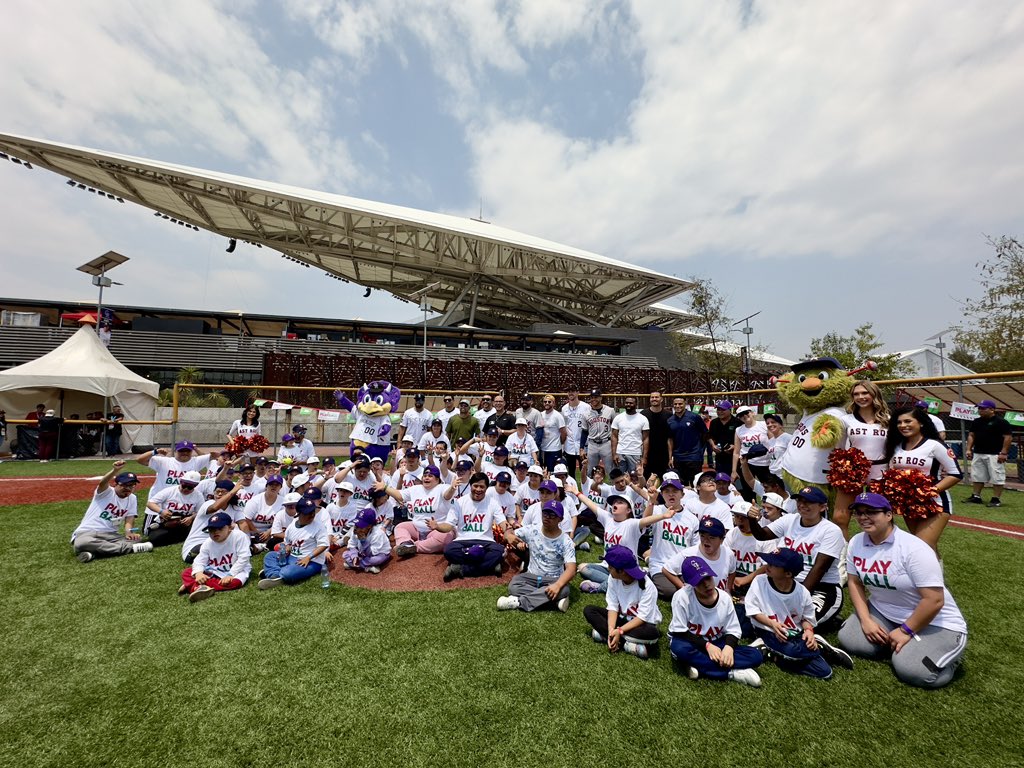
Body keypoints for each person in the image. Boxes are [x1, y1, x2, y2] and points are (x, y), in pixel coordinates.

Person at [838, 492, 968, 689]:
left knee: (914, 671)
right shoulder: (857, 541)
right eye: (859, 513)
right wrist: (865, 620)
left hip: (935, 621)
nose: (863, 517)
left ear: (889, 515)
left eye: (871, 512)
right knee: (850, 639)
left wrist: (906, 630)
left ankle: (948, 660)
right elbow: (855, 583)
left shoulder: (914, 548)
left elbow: (934, 600)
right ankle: (901, 644)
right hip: (885, 612)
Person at [744, 486, 846, 627]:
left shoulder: (831, 531)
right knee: (766, 617)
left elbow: (819, 568)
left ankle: (830, 619)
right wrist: (752, 519)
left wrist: (796, 599)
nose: (802, 505)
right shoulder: (790, 520)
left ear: (823, 507)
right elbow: (762, 535)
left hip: (821, 587)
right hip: (786, 582)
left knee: (796, 624)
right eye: (800, 500)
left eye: (809, 502)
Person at [744, 548, 852, 679]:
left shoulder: (802, 592)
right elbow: (753, 611)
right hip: (767, 630)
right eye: (768, 562)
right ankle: (814, 651)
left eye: (774, 564)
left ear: (788, 573)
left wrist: (809, 631)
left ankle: (775, 654)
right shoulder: (760, 581)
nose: (768, 565)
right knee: (791, 652)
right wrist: (772, 624)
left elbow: (806, 619)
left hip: (794, 634)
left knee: (825, 672)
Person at [667, 555, 764, 686]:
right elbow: (680, 632)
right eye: (699, 581)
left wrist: (729, 648)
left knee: (756, 656)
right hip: (693, 642)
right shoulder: (682, 597)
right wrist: (707, 646)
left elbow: (733, 630)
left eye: (708, 577)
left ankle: (699, 666)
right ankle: (731, 673)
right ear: (690, 584)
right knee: (679, 649)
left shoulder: (724, 598)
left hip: (718, 642)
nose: (706, 584)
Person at [883, 405, 963, 555]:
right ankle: (935, 576)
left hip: (935, 503)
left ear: (921, 423)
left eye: (908, 421)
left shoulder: (935, 445)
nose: (903, 425)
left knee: (922, 546)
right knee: (926, 546)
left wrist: (929, 491)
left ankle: (931, 578)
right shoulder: (896, 446)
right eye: (899, 422)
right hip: (909, 504)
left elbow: (956, 473)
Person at [582, 545, 662, 659]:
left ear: (622, 571)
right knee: (589, 610)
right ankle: (626, 644)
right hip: (621, 620)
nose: (608, 569)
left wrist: (619, 631)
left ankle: (607, 637)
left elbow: (642, 618)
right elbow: (612, 607)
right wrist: (611, 629)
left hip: (642, 625)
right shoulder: (613, 578)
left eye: (610, 567)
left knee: (653, 633)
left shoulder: (648, 586)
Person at [499, 500, 577, 612]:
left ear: (560, 519)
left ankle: (518, 602)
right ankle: (552, 602)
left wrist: (558, 585)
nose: (547, 517)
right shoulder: (533, 529)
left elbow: (571, 569)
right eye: (545, 513)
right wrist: (508, 536)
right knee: (514, 585)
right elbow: (508, 534)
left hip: (553, 579)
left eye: (552, 515)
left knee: (563, 589)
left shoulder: (566, 541)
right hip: (531, 576)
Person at [835, 380, 890, 539]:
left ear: (874, 394)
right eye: (856, 394)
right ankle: (844, 558)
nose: (861, 397)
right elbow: (839, 449)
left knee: (879, 519)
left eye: (865, 393)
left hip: (880, 472)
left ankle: (879, 554)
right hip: (852, 472)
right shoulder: (846, 420)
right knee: (840, 518)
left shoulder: (888, 419)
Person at [71, 461, 154, 562]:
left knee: (137, 539)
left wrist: (129, 532)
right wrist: (115, 470)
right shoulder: (107, 492)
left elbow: (130, 518)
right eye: (125, 485)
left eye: (132, 486)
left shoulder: (132, 498)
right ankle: (130, 549)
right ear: (116, 484)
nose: (128, 489)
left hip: (111, 535)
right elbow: (102, 483)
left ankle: (92, 553)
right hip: (88, 532)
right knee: (82, 543)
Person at [437, 472, 509, 581]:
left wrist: (508, 530)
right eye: (475, 486)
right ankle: (490, 567)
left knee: (500, 551)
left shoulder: (493, 503)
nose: (478, 489)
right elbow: (448, 526)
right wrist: (436, 526)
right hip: (463, 540)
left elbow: (502, 522)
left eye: (482, 487)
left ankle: (459, 569)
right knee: (449, 550)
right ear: (470, 486)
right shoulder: (459, 502)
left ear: (486, 488)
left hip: (486, 541)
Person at [178, 511, 251, 603]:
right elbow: (199, 560)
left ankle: (193, 586)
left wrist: (230, 575)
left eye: (220, 528)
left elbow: (244, 558)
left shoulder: (239, 536)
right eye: (212, 529)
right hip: (215, 571)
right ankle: (199, 587)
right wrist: (198, 573)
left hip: (237, 571)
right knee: (187, 572)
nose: (215, 532)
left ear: (229, 527)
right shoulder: (208, 542)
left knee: (236, 583)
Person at [258, 498, 330, 588]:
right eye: (308, 513)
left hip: (312, 562)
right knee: (269, 556)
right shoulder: (292, 525)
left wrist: (308, 558)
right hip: (292, 557)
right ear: (299, 513)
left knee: (288, 573)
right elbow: (287, 542)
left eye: (313, 512)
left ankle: (273, 571)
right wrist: (287, 548)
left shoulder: (319, 526)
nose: (312, 515)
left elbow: (323, 545)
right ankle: (275, 576)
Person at [388, 465, 456, 557]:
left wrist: (452, 488)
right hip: (416, 528)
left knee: (445, 537)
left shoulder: (442, 488)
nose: (426, 478)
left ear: (437, 479)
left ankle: (413, 547)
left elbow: (447, 495)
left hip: (437, 529)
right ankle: (405, 543)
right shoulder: (416, 489)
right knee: (400, 527)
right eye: (425, 475)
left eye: (430, 476)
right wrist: (385, 487)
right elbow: (399, 495)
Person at [964, 399, 1013, 508]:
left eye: (983, 408)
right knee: (977, 476)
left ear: (992, 410)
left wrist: (1003, 452)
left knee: (997, 476)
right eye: (979, 408)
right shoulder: (976, 421)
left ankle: (996, 499)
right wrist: (968, 449)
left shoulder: (1001, 422)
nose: (980, 410)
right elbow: (972, 435)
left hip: (995, 453)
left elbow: (1008, 437)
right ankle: (976, 496)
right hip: (979, 452)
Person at [145, 469, 205, 548]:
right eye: (184, 485)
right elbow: (150, 503)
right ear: (181, 482)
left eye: (190, 487)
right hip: (166, 521)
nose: (186, 489)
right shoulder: (169, 491)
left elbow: (201, 511)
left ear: (195, 486)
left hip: (184, 522)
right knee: (154, 538)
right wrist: (161, 511)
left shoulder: (198, 495)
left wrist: (191, 518)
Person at [667, 397, 710, 486]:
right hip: (678, 457)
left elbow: (705, 433)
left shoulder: (694, 417)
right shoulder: (670, 420)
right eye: (675, 404)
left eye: (680, 404)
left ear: (685, 404)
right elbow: (670, 439)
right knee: (681, 485)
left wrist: (700, 449)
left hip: (694, 456)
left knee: (696, 483)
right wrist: (670, 457)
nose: (677, 406)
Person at [732, 405, 769, 502]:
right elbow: (736, 451)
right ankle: (751, 511)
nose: (744, 416)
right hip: (747, 464)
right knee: (747, 491)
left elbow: (773, 442)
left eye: (746, 413)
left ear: (752, 413)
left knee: (768, 489)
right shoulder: (739, 430)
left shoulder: (764, 425)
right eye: (741, 415)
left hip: (765, 463)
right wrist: (734, 470)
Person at [343, 507, 392, 573]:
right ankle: (367, 567)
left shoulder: (378, 534)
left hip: (379, 553)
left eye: (361, 526)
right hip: (362, 554)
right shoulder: (355, 530)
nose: (358, 528)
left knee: (377, 560)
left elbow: (372, 553)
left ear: (370, 526)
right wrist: (354, 556)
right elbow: (352, 545)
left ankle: (355, 565)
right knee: (346, 554)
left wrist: (363, 541)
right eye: (357, 525)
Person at [611, 397, 649, 474]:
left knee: (634, 478)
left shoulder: (643, 419)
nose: (628, 404)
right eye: (627, 403)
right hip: (621, 452)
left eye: (631, 403)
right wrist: (614, 454)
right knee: (620, 477)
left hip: (635, 453)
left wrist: (644, 457)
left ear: (636, 404)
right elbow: (614, 436)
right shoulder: (618, 418)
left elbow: (646, 439)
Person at [560, 387, 591, 478]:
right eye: (569, 391)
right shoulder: (564, 408)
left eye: (573, 391)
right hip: (569, 444)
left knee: (585, 470)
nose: (570, 393)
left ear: (578, 392)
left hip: (583, 444)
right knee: (571, 471)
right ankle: (571, 491)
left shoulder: (586, 407)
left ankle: (585, 490)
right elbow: (564, 425)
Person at [584, 389, 616, 473]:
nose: (593, 399)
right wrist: (581, 448)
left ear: (600, 398)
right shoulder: (586, 413)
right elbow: (584, 431)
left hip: (606, 443)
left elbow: (615, 429)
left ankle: (612, 486)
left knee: (610, 470)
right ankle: (591, 486)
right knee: (590, 471)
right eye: (591, 397)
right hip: (592, 444)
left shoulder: (610, 410)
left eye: (596, 397)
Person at [641, 391, 671, 477]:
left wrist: (670, 456)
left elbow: (670, 437)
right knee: (646, 479)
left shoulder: (668, 415)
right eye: (652, 397)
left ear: (661, 399)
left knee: (664, 479)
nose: (654, 399)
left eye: (656, 397)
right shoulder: (643, 414)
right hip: (648, 452)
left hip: (663, 453)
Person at [708, 401, 742, 476]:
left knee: (737, 482)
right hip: (720, 458)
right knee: (721, 480)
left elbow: (744, 439)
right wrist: (713, 446)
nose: (720, 412)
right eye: (718, 410)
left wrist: (735, 446)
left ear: (730, 410)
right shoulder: (714, 422)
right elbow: (710, 436)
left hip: (736, 458)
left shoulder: (738, 422)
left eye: (723, 410)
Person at [538, 394, 567, 471]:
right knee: (542, 470)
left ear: (553, 403)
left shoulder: (557, 416)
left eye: (549, 402)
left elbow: (563, 432)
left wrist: (560, 442)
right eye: (545, 402)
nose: (547, 403)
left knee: (553, 471)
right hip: (543, 448)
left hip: (554, 449)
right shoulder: (541, 414)